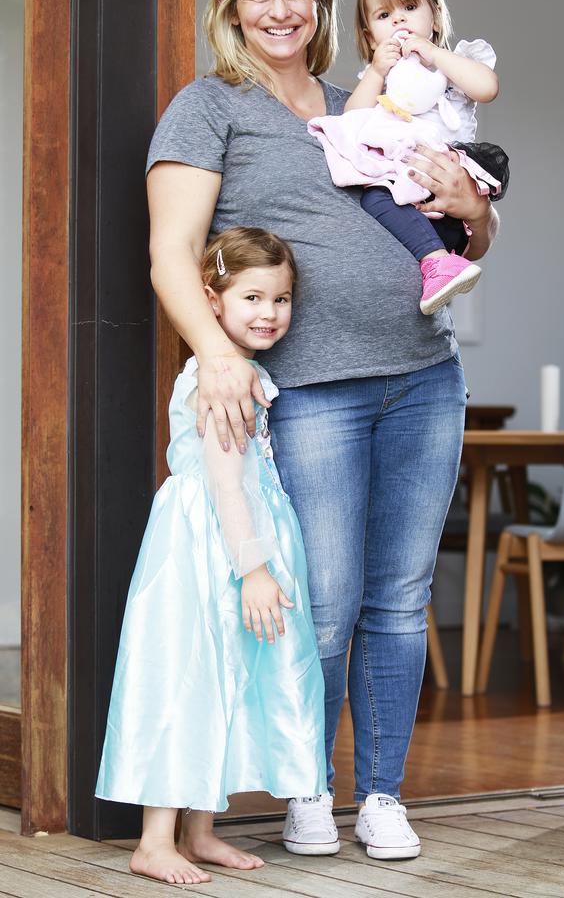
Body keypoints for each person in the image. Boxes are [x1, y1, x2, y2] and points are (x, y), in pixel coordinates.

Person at [145, 0, 499, 861]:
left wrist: (474, 211)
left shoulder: (367, 102)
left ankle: (382, 794)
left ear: (320, 5)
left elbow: (461, 247)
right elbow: (171, 252)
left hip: (426, 375)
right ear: (231, 8)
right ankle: (310, 785)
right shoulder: (209, 106)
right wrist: (216, 355)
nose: (281, 10)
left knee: (400, 595)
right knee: (326, 598)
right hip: (310, 387)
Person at [95, 227, 327, 885]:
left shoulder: (242, 369)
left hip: (236, 536)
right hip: (213, 546)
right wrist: (253, 567)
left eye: (281, 299)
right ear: (211, 299)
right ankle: (155, 840)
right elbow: (227, 481)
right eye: (252, 296)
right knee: (187, 677)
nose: (269, 313)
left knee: (227, 677)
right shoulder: (221, 376)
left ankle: (199, 831)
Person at [309, 0, 509, 315]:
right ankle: (436, 263)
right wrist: (375, 71)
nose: (399, 21)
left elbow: (487, 87)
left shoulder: (449, 65)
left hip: (445, 179)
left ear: (434, 19)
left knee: (379, 200)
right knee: (375, 198)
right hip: (407, 190)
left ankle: (438, 262)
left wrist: (432, 53)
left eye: (410, 8)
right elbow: (352, 123)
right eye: (385, 15)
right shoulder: (383, 78)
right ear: (371, 36)